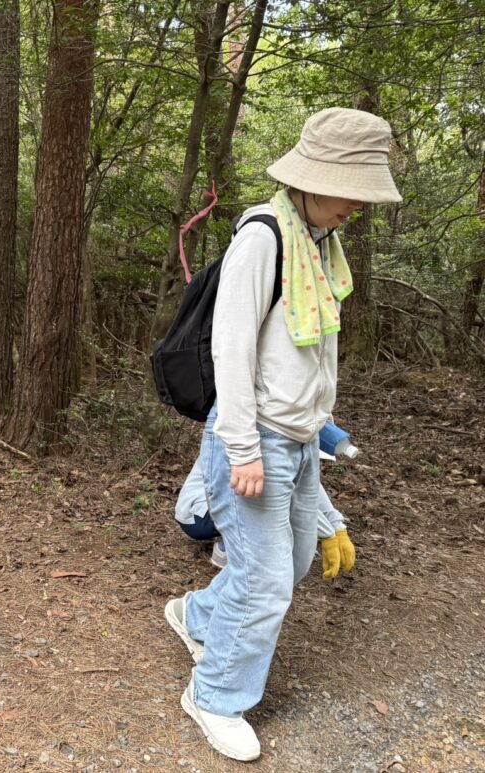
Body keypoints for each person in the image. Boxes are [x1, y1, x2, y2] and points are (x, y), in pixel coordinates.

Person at [162, 108, 401, 761]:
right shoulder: (264, 239)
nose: (358, 205)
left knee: (289, 563)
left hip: (298, 437)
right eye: (351, 189)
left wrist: (320, 442)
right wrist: (242, 449)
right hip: (254, 438)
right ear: (315, 180)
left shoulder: (319, 242)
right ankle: (215, 695)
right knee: (266, 579)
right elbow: (231, 348)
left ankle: (196, 615)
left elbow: (305, 358)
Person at [175, 455, 356, 578]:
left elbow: (310, 483)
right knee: (268, 500)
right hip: (198, 513)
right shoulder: (263, 439)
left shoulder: (290, 445)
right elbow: (284, 494)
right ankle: (228, 546)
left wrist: (338, 527)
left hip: (220, 502)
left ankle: (239, 540)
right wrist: (328, 534)